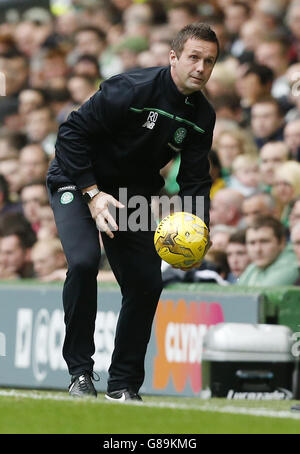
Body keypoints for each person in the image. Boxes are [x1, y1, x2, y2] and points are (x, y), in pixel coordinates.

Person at [46, 23, 218, 401]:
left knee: (146, 283)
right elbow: (70, 134)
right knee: (84, 262)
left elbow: (194, 180)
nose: (201, 67)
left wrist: (198, 227)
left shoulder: (202, 116)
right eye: (193, 57)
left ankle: (123, 385)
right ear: (173, 57)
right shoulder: (131, 88)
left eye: (209, 61)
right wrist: (92, 193)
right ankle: (80, 373)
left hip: (130, 196)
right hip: (76, 180)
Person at [237, 215, 299, 286]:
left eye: (264, 241)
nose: (258, 249)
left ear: (282, 242)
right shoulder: (253, 267)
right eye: (252, 243)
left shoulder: (291, 264)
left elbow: (260, 295)